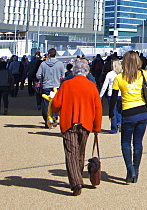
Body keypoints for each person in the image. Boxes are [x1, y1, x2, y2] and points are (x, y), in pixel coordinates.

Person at [50, 58, 102, 196]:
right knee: (80, 152)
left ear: (74, 71)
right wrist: (97, 127)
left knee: (71, 153)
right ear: (87, 71)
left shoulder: (66, 85)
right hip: (85, 122)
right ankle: (77, 177)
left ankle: (76, 181)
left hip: (69, 122)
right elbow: (98, 108)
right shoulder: (92, 86)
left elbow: (55, 105)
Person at [113, 51, 147, 183]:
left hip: (128, 112)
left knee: (125, 142)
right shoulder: (143, 74)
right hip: (142, 111)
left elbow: (113, 99)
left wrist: (113, 113)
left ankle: (130, 169)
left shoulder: (119, 78)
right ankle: (136, 169)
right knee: (138, 143)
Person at [36, 49, 66, 127]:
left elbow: (38, 75)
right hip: (56, 86)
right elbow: (63, 76)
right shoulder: (60, 64)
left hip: (46, 86)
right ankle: (55, 116)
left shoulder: (43, 64)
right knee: (56, 103)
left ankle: (47, 119)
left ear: (48, 55)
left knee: (46, 104)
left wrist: (44, 77)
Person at [100, 59, 123, 133]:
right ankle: (120, 123)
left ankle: (114, 128)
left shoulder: (110, 74)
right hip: (121, 94)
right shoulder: (122, 73)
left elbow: (104, 86)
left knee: (113, 111)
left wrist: (100, 95)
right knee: (120, 110)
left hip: (111, 94)